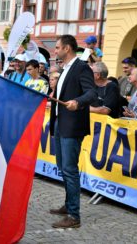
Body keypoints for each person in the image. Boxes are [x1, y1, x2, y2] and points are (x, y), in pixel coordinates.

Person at [49, 34, 97, 229]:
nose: (55, 50)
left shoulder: (81, 67)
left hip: (72, 125)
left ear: (67, 48)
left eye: (58, 47)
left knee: (70, 169)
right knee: (63, 166)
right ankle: (69, 205)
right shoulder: (65, 69)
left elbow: (91, 93)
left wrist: (77, 102)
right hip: (61, 123)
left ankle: (74, 215)